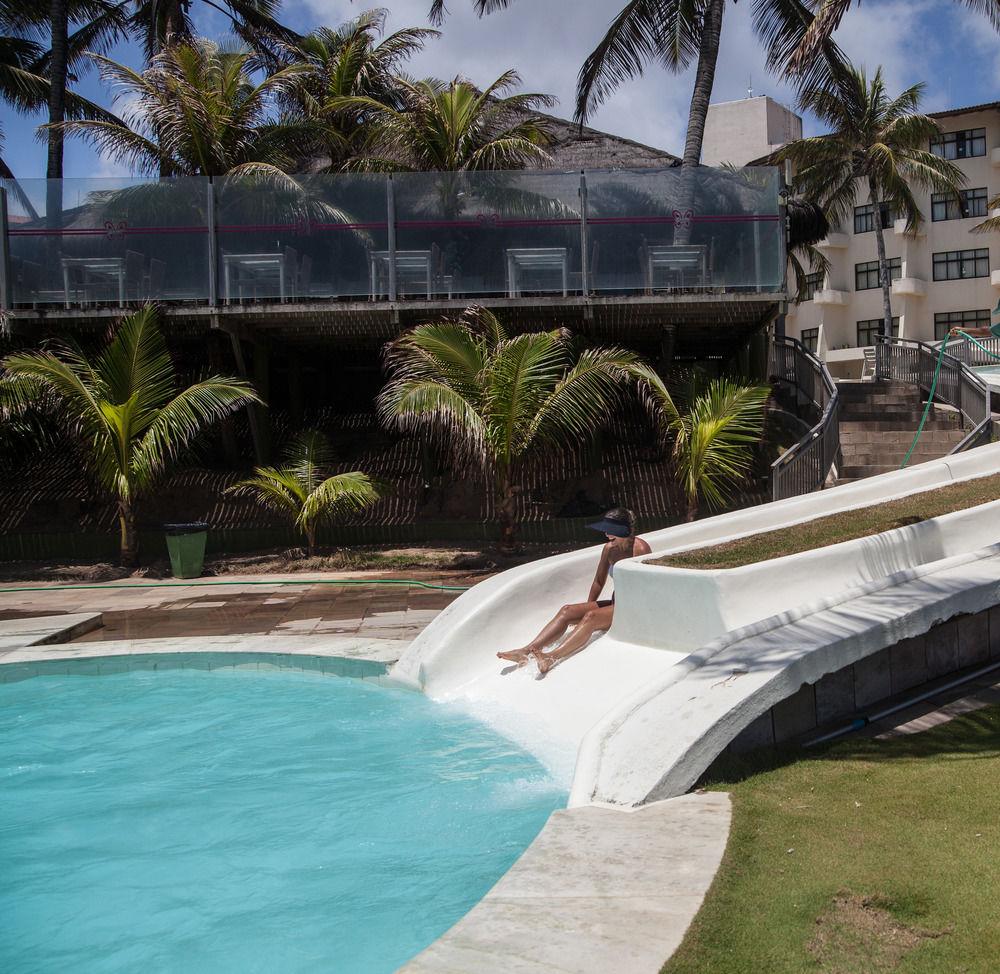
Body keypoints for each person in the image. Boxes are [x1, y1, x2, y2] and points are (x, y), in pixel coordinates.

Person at [497, 508, 651, 677]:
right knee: (567, 610)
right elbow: (599, 581)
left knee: (591, 617)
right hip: (616, 602)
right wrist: (588, 605)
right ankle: (525, 651)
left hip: (632, 606)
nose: (606, 534)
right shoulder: (609, 549)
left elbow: (648, 586)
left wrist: (595, 612)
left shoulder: (640, 549)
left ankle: (551, 657)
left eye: (611, 530)